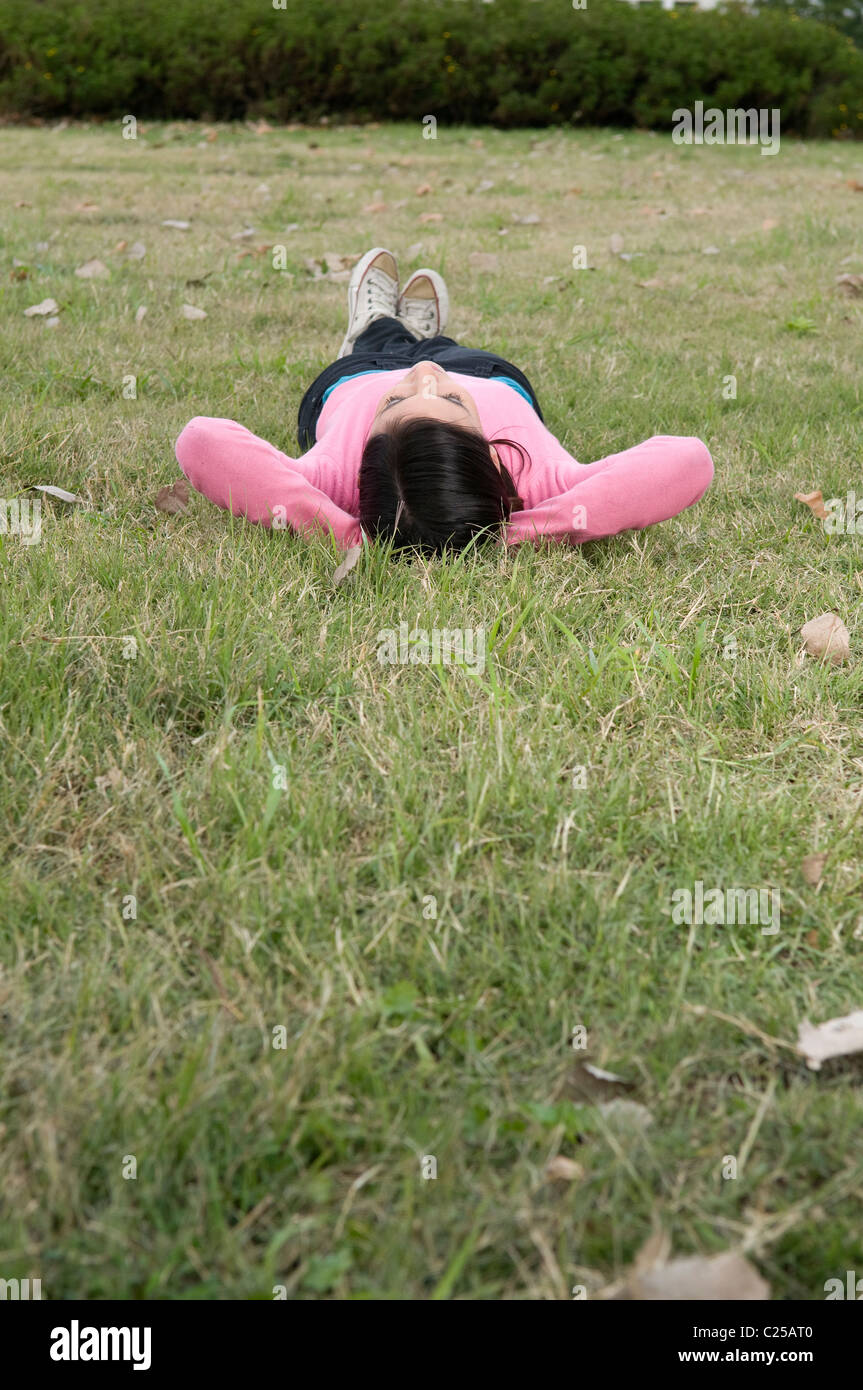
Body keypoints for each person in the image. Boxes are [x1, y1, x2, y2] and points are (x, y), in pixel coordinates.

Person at [175, 247, 713, 555]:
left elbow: (202, 441)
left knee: (385, 345)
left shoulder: (339, 483)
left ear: (368, 455)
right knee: (446, 351)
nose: (424, 377)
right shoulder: (540, 482)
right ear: (494, 454)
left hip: (358, 377)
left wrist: (341, 531)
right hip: (487, 374)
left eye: (398, 405)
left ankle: (376, 324)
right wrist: (527, 531)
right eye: (450, 402)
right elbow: (688, 460)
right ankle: (424, 332)